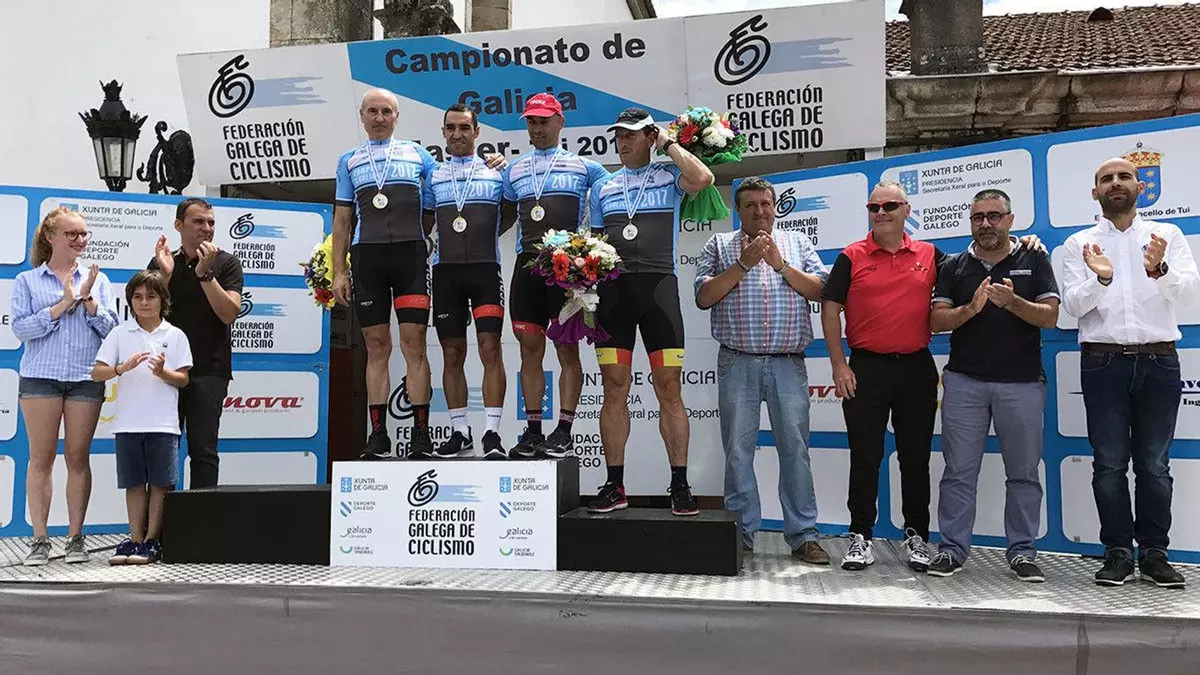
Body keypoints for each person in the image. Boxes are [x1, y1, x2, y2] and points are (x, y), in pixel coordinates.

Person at [822, 183, 1043, 573]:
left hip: (915, 367)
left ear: (906, 210)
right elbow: (829, 307)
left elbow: (976, 261)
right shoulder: (851, 255)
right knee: (865, 456)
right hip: (866, 367)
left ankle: (916, 536)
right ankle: (860, 535)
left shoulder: (932, 255)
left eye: (890, 205)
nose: (881, 212)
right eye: (874, 207)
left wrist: (1027, 242)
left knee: (915, 457)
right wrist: (839, 365)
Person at [1061, 157, 1200, 588]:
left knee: (1155, 465)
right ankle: (1118, 552)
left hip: (1159, 361)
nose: (1116, 183)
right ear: (1095, 192)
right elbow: (1072, 305)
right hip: (1102, 363)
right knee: (1108, 464)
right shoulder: (1079, 243)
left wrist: (1159, 270)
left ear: (1141, 187)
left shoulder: (1167, 235)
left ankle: (1155, 553)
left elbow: (1190, 293)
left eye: (1124, 176)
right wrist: (1101, 279)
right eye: (1106, 179)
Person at [694, 176, 830, 562]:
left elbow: (821, 290)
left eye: (765, 204)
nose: (759, 211)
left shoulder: (797, 243)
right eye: (751, 205)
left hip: (788, 363)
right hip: (738, 360)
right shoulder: (719, 244)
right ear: (738, 210)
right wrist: (743, 264)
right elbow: (703, 297)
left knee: (795, 450)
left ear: (775, 207)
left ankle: (803, 535)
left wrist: (780, 265)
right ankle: (742, 534)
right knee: (738, 452)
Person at [584, 108, 713, 516]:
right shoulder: (603, 187)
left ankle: (680, 484)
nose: (622, 142)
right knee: (613, 388)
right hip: (614, 295)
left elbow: (703, 179)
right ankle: (614, 484)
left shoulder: (669, 176)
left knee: (669, 387)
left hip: (659, 291)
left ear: (649, 136)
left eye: (631, 135)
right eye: (618, 135)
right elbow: (593, 244)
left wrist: (667, 144)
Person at [927, 189, 1059, 582]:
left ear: (1010, 220)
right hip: (965, 383)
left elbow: (1050, 317)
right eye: (978, 217)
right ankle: (952, 550)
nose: (986, 224)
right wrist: (971, 309)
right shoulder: (954, 265)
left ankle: (1022, 552)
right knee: (958, 472)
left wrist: (1013, 303)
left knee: (1024, 473)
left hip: (1021, 384)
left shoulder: (1034, 258)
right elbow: (937, 321)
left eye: (994, 216)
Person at [330, 89, 440, 460]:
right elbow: (342, 219)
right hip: (368, 258)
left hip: (410, 257)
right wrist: (339, 271)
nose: (379, 118)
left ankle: (421, 436)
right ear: (361, 116)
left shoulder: (418, 155)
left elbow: (442, 197)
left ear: (397, 116)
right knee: (377, 346)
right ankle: (378, 436)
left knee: (414, 344)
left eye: (386, 112)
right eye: (373, 111)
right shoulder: (349, 160)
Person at [502, 93, 609, 459]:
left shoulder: (586, 168)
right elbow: (501, 215)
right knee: (529, 350)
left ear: (561, 122)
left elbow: (613, 201)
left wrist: (596, 253)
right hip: (527, 267)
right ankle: (533, 431)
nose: (537, 128)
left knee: (567, 350)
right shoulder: (513, 170)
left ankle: (564, 430)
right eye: (531, 122)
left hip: (567, 268)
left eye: (544, 121)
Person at [11, 207, 118, 565]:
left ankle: (76, 538)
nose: (80, 240)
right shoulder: (27, 280)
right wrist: (63, 304)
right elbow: (21, 329)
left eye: (84, 233)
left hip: (85, 378)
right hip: (41, 377)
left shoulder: (98, 279)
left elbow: (112, 330)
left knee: (78, 459)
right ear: (50, 237)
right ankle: (39, 540)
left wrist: (87, 299)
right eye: (72, 233)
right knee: (40, 459)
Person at [422, 103, 516, 459]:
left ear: (477, 132)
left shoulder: (496, 172)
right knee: (451, 352)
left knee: (490, 348)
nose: (458, 134)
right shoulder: (434, 175)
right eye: (451, 128)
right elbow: (426, 221)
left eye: (464, 127)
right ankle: (460, 431)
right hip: (446, 272)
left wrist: (484, 234)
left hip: (485, 270)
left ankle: (492, 433)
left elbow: (509, 213)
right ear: (443, 133)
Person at [93, 271, 192, 565]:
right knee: (134, 484)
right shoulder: (119, 334)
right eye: (137, 297)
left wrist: (163, 372)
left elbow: (184, 379)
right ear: (130, 301)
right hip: (128, 424)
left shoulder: (175, 335)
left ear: (163, 300)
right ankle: (135, 540)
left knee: (161, 484)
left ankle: (152, 542)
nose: (144, 302)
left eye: (151, 296)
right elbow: (97, 373)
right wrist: (121, 368)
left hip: (163, 424)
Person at [150, 198, 242, 488]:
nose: (206, 228)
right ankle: (160, 518)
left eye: (211, 222)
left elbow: (228, 313)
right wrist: (165, 276)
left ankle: (203, 518)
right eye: (198, 221)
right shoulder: (162, 262)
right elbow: (148, 315)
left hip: (209, 371)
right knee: (163, 451)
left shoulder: (226, 263)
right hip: (167, 370)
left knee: (204, 453)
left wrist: (205, 274)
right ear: (179, 225)